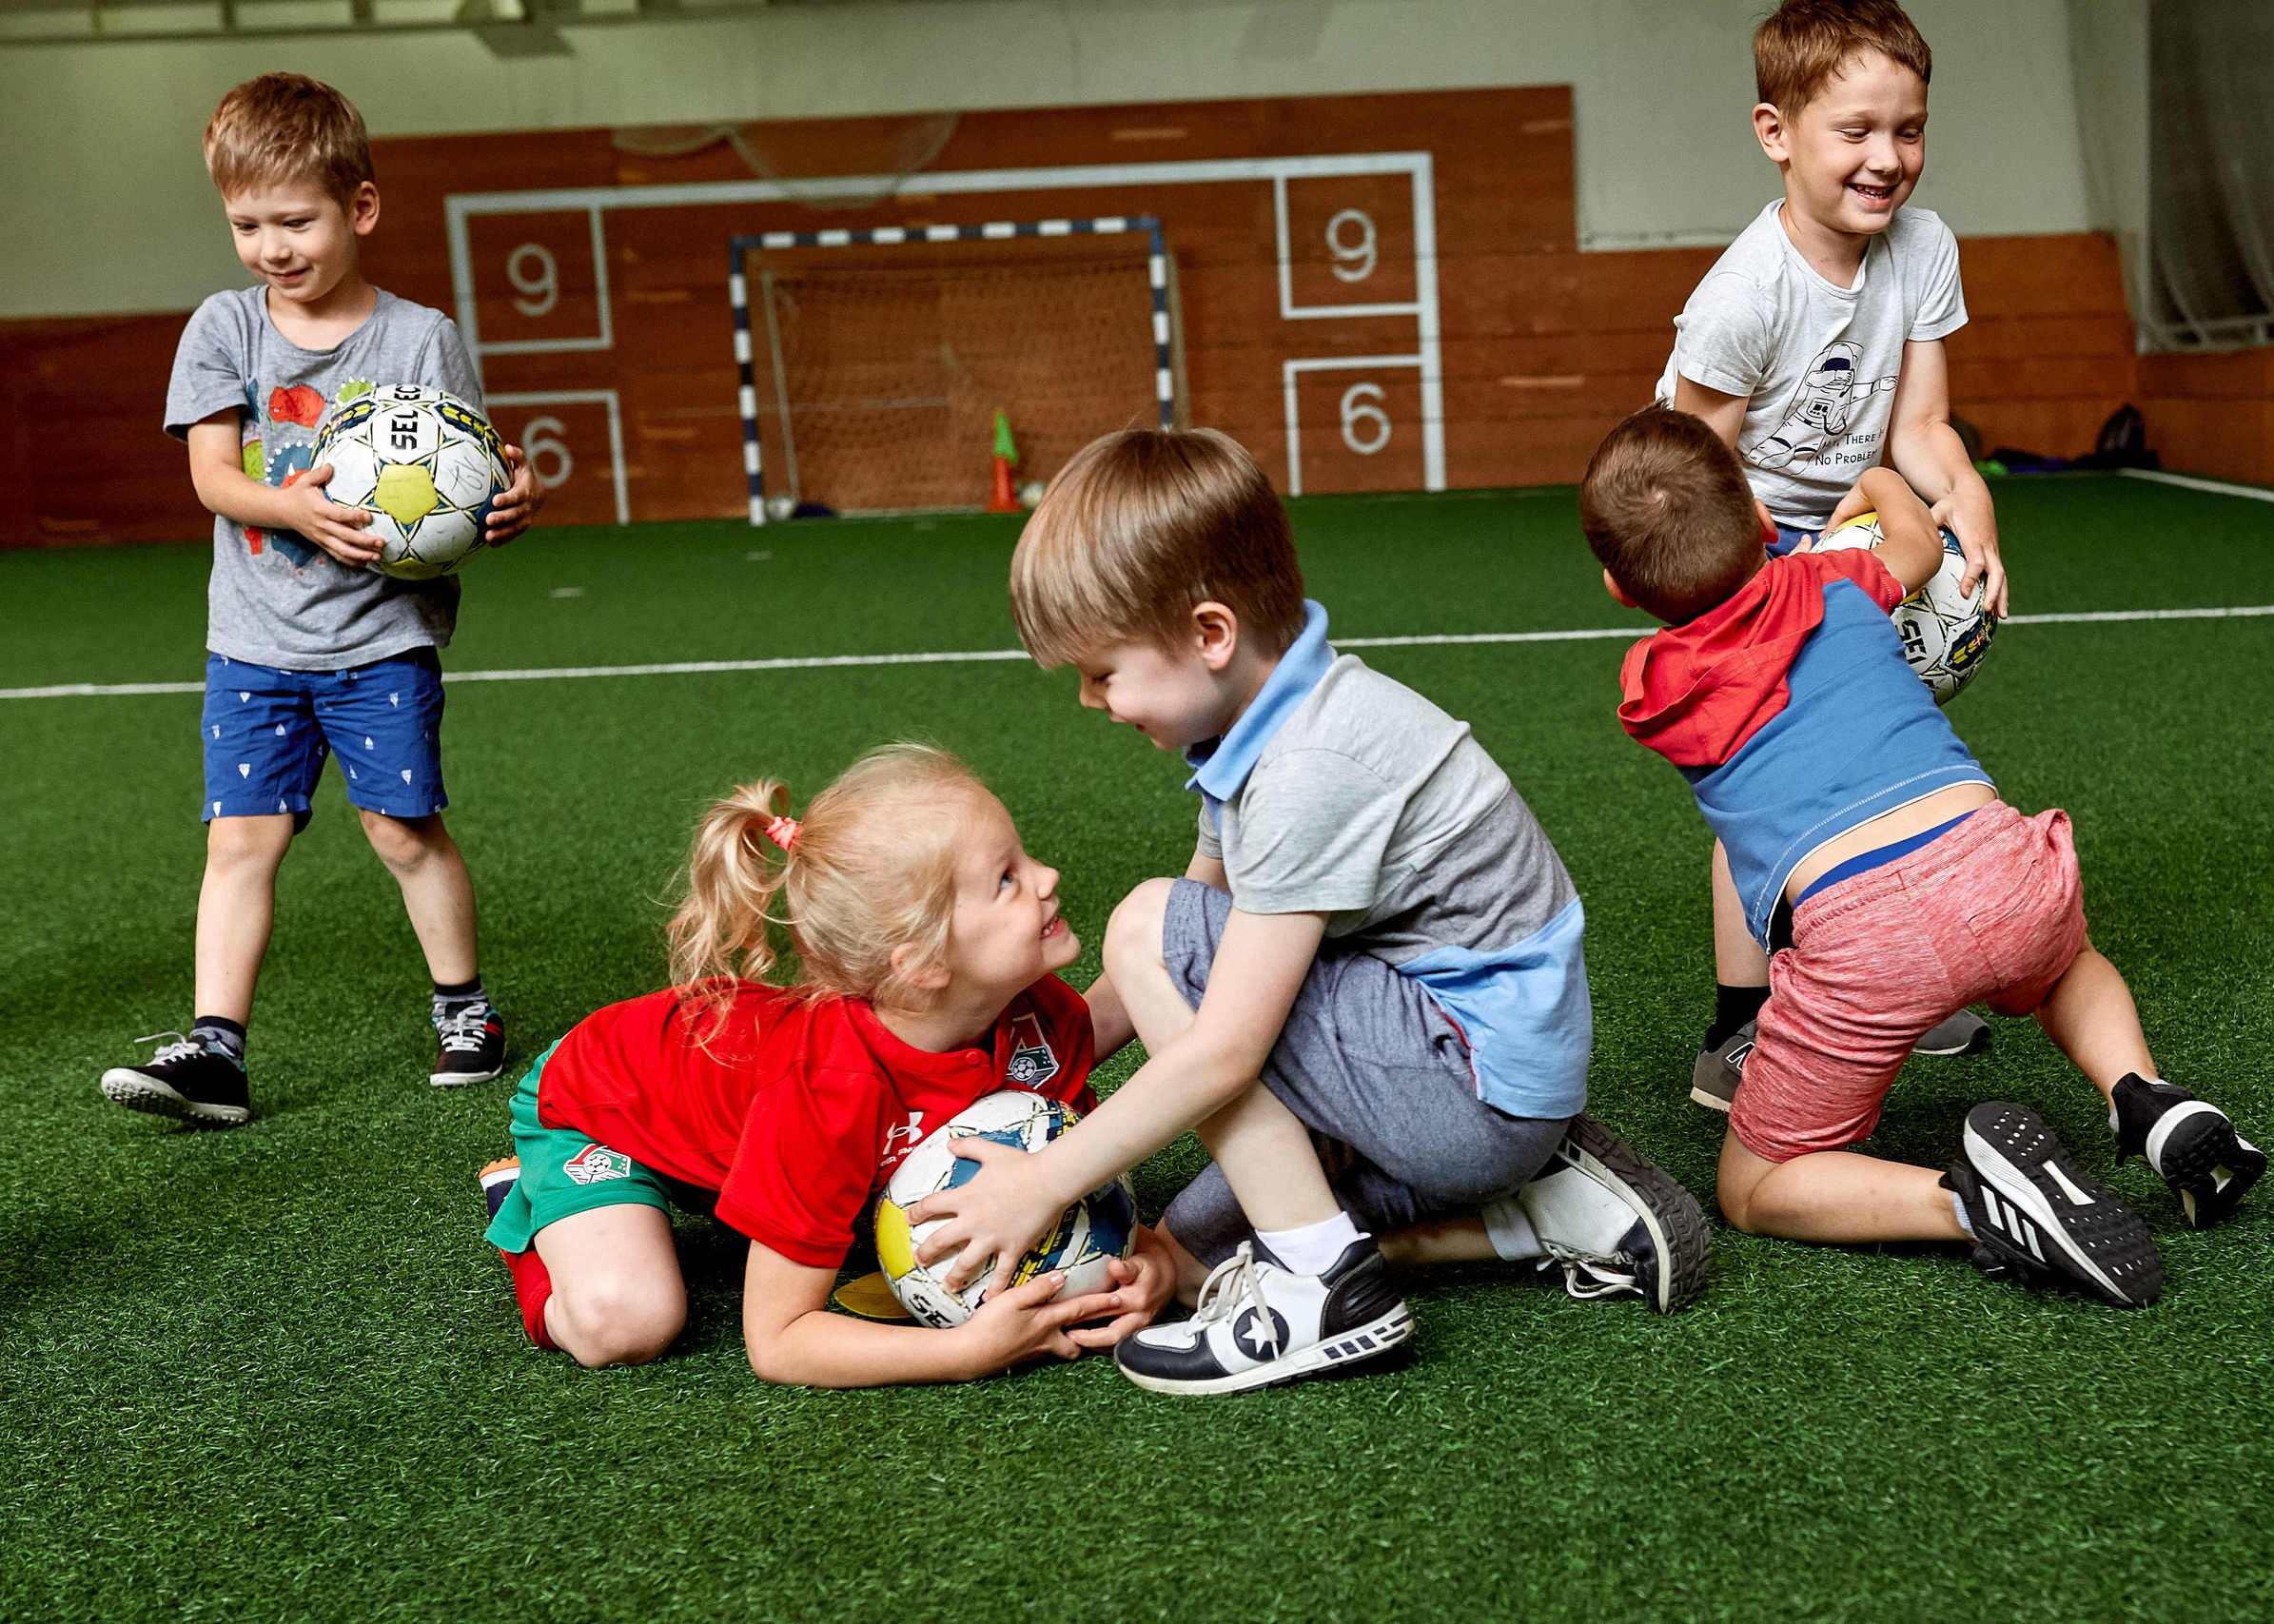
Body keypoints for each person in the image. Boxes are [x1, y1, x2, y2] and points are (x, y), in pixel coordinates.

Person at [908, 426, 1710, 1399]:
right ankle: (1535, 1207)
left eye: (1101, 671)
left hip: (1466, 1082)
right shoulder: (1265, 719)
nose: (1088, 699)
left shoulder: (1309, 769)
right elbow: (1203, 938)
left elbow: (1215, 1035)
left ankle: (1328, 1289)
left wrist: (1043, 1179)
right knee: (1187, 1251)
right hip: (1453, 1063)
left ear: (1210, 635)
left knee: (1142, 923)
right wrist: (1050, 1074)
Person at [1580, 406, 2267, 1305]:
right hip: (1997, 868)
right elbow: (1917, 542)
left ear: (1617, 589)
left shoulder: (1653, 688)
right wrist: (1875, 483)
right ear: (1757, 519)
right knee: (2065, 964)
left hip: (1859, 942)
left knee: (1752, 1186)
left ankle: (1969, 1204)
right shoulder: (1836, 583)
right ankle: (2143, 1092)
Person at [101, 73, 543, 1126]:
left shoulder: (420, 338)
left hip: (380, 638)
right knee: (239, 841)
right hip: (252, 641)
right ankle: (216, 1051)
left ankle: (464, 1008)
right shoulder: (222, 329)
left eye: (295, 219)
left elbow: (471, 469)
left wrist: (510, 499)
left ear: (362, 208)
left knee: (403, 831)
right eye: (247, 224)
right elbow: (212, 477)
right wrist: (290, 508)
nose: (272, 246)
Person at [476, 745, 1175, 1385]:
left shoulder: (1038, 1014)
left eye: (1025, 859)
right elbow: (778, 1341)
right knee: (626, 1323)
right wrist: (963, 1352)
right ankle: (525, 1207)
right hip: (599, 1105)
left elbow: (1063, 1175)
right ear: (925, 964)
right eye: (1006, 879)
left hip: (730, 1119)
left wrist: (1147, 1261)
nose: (1047, 877)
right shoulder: (828, 1090)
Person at [1659, 0, 2008, 1107]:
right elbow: (1688, 479)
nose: (1886, 158)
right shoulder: (1741, 293)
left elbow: (1918, 425)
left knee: (1872, 763)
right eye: (1854, 131)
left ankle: (1877, 974)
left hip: (1851, 528)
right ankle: (1742, 1029)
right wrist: (1777, 584)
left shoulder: (1925, 247)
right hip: (1729, 546)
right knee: (1773, 780)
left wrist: (1967, 505)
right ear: (1777, 133)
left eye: (1906, 130)